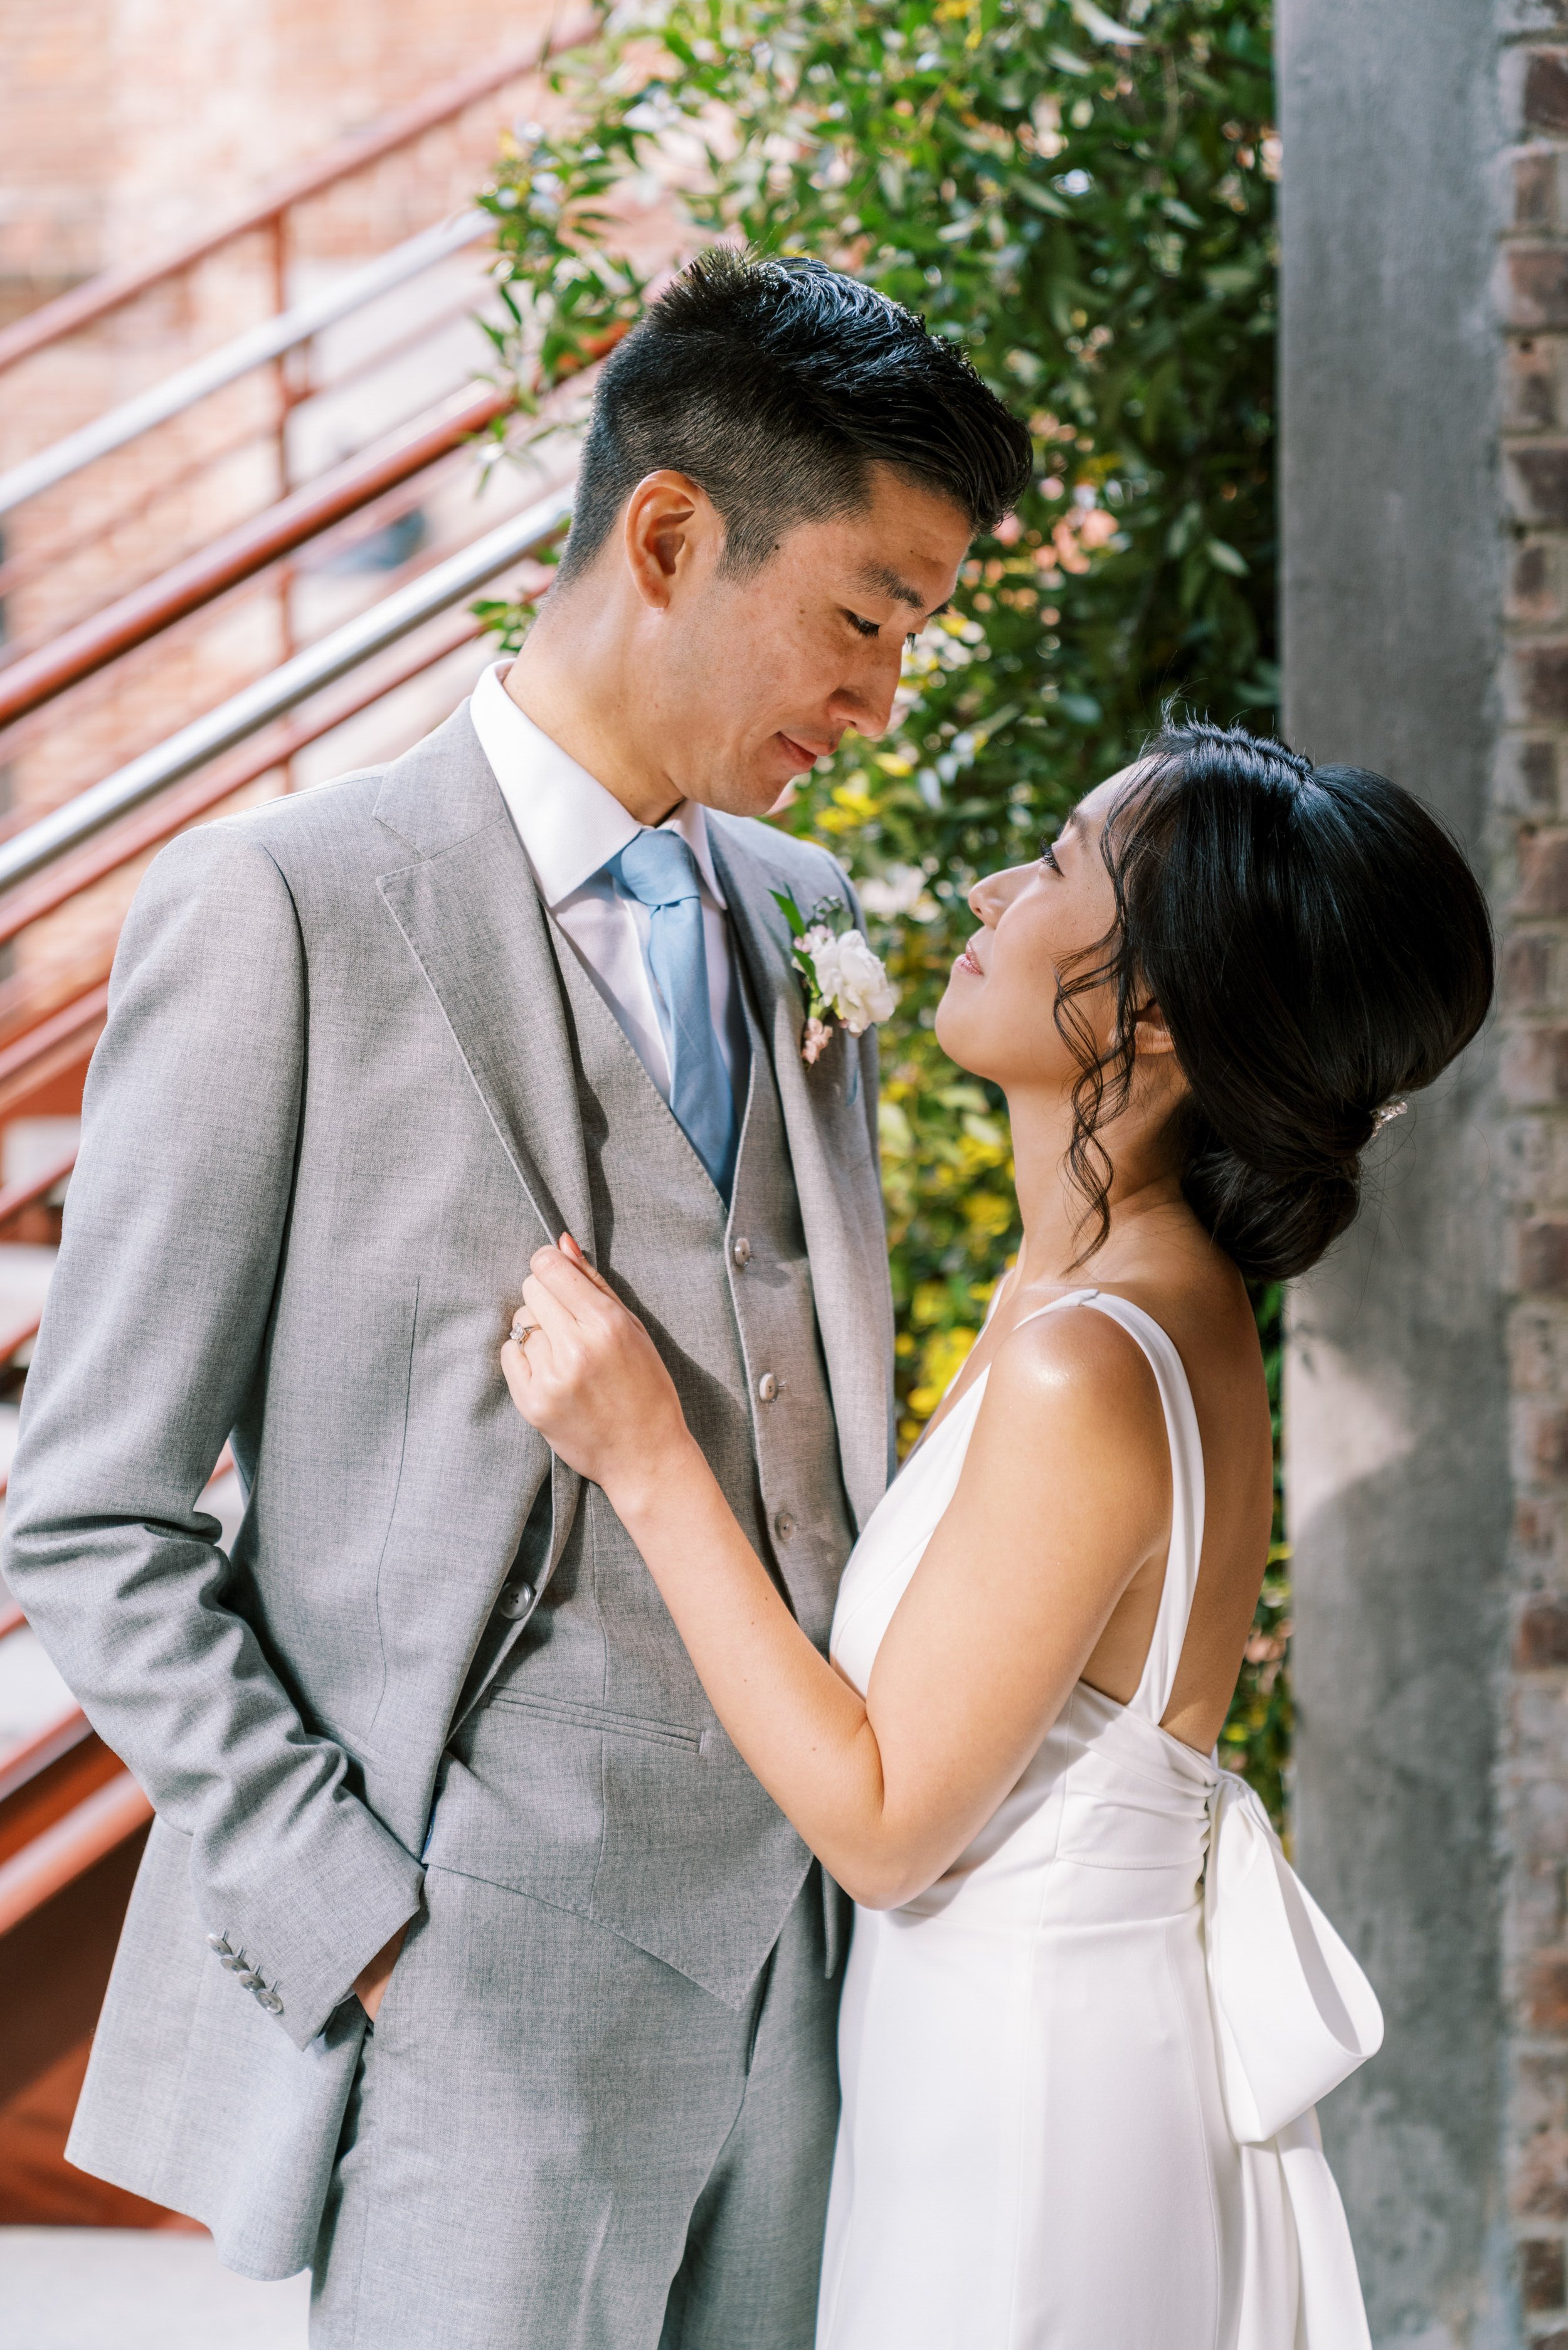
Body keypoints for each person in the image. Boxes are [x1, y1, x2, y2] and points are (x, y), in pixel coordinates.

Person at [0, 252, 1032, 2344]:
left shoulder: (803, 912)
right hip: (473, 1984)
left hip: (815, 1981)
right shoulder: (280, 908)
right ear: (666, 534)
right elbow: (91, 1508)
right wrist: (358, 1921)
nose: (880, 699)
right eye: (861, 616)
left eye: (916, 632)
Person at [500, 721, 1495, 2350]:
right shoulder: (1108, 1294)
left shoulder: (1085, 1354)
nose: (984, 885)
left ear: (1150, 1012)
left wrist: (646, 1457)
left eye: (1050, 866)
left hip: (1028, 2107)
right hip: (1006, 2058)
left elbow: (886, 1824)